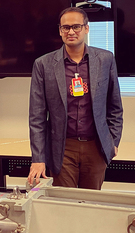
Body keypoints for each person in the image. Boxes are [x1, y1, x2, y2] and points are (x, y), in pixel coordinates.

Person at [27, 7, 123, 190]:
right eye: (66, 27)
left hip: (96, 147)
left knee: (91, 203)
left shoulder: (105, 59)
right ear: (60, 30)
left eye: (76, 26)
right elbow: (37, 117)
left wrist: (113, 142)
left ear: (86, 28)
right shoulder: (43, 65)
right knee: (65, 204)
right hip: (62, 149)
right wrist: (38, 158)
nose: (71, 31)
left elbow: (115, 106)